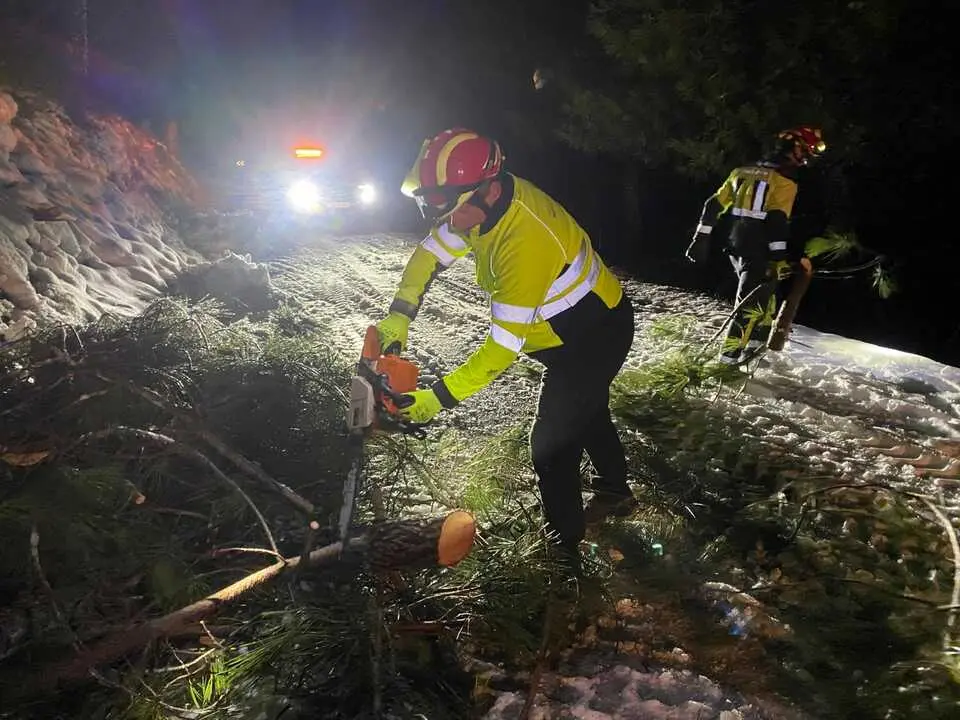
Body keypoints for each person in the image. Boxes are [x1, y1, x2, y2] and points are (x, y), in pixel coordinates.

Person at [374, 128, 636, 568]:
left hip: (592, 338)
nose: (448, 223)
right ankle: (616, 491)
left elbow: (499, 351)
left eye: (452, 211)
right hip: (565, 334)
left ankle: (563, 553)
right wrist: (400, 314)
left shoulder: (524, 240)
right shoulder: (477, 207)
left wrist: (435, 399)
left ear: (489, 190)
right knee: (588, 412)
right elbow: (428, 256)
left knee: (550, 445)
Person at [685, 127, 826, 364]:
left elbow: (712, 206)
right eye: (807, 152)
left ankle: (752, 353)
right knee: (750, 307)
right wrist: (779, 257)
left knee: (765, 302)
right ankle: (728, 362)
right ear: (796, 150)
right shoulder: (784, 181)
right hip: (759, 250)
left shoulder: (741, 172)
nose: (806, 159)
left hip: (735, 245)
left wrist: (700, 239)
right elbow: (776, 221)